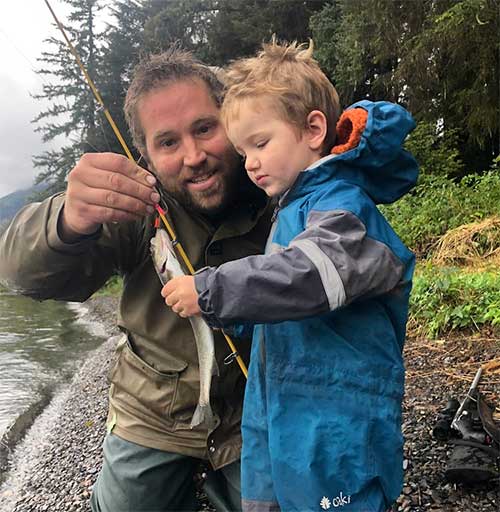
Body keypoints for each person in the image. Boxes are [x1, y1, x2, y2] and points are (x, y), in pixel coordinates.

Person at [0, 47, 273, 512]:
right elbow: (20, 273)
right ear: (144, 155)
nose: (194, 156)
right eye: (167, 143)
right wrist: (66, 218)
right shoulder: (134, 206)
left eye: (205, 128)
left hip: (260, 412)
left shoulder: (277, 182)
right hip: (152, 412)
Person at [163, 39, 419, 512]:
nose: (251, 162)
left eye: (260, 143)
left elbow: (312, 276)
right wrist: (234, 316)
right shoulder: (292, 209)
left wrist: (212, 289)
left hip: (336, 419)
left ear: (313, 129)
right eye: (243, 152)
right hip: (278, 408)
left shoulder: (343, 207)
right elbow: (284, 303)